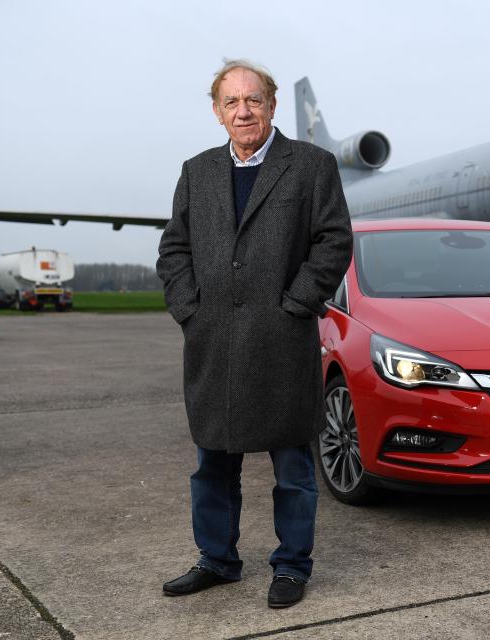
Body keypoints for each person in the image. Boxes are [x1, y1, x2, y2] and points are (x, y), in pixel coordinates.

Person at [156, 59, 353, 608]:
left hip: (281, 341)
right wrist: (188, 309)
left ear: (271, 104)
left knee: (292, 467)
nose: (243, 111)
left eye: (254, 100)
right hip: (213, 343)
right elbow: (174, 249)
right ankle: (217, 559)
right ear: (218, 113)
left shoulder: (312, 166)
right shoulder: (196, 172)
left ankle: (291, 566)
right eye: (231, 102)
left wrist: (296, 304)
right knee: (212, 464)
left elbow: (333, 242)